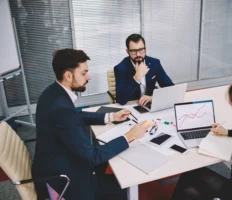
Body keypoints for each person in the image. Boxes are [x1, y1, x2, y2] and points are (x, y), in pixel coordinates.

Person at [32, 48, 153, 200]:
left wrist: (111, 116)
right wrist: (129, 136)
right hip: (64, 180)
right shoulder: (61, 108)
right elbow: (92, 157)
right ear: (68, 75)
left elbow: (76, 116)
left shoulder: (52, 93)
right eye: (83, 73)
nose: (88, 77)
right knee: (124, 186)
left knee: (106, 154)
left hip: (53, 162)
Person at [114, 33, 174, 105]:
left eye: (141, 50)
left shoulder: (154, 63)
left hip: (150, 104)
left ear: (145, 48)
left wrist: (153, 98)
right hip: (132, 105)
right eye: (133, 51)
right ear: (128, 52)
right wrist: (137, 77)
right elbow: (121, 99)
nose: (138, 54)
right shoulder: (120, 68)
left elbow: (170, 88)